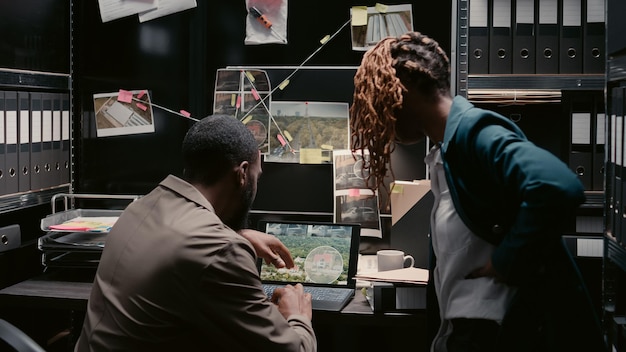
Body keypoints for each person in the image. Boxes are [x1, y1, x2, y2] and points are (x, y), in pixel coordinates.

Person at [349, 31, 606, 352]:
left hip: (495, 330)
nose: (377, 113)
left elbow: (558, 186)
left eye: (378, 97)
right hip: (469, 328)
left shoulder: (473, 132)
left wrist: (507, 260)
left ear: (403, 87)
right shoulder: (447, 151)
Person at [75, 115, 316, 352]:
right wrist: (297, 315)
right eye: (257, 176)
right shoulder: (221, 249)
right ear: (242, 174)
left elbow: (180, 250)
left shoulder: (139, 207)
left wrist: (236, 234)